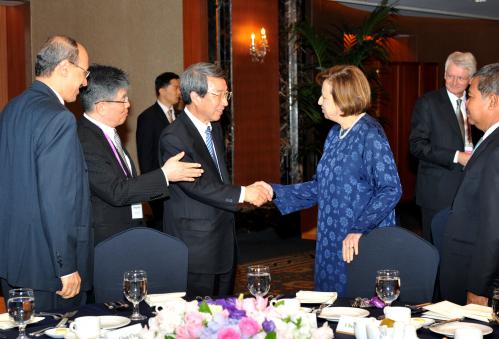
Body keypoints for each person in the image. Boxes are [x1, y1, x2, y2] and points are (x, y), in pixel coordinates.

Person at [271, 65, 402, 295]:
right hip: (331, 238)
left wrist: (359, 228)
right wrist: (274, 192)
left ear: (343, 100)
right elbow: (321, 186)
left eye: (324, 97)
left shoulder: (370, 134)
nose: (320, 102)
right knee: (330, 306)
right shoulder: (334, 134)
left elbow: (390, 189)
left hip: (360, 241)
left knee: (358, 309)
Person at [159, 62, 273, 298]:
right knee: (198, 319)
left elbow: (218, 177)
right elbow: (195, 184)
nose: (225, 102)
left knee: (223, 316)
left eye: (226, 94)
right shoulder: (174, 136)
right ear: (195, 96)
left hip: (223, 237)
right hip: (197, 245)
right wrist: (244, 193)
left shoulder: (215, 129)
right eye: (218, 95)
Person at [0, 35, 91, 311]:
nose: (85, 82)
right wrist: (66, 267)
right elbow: (57, 199)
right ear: (64, 67)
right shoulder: (58, 118)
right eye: (84, 73)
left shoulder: (12, 108)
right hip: (48, 268)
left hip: (12, 259)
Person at [78, 65, 203, 245]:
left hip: (127, 231)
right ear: (102, 107)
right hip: (108, 240)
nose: (128, 104)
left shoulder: (106, 132)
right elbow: (116, 191)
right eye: (123, 100)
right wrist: (165, 175)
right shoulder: (85, 140)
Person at [440, 63, 499, 306]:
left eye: (471, 96)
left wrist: (478, 287)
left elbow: (493, 224)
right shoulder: (490, 140)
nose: (466, 103)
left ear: (493, 101)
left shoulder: (496, 150)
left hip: (474, 275)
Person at [409, 51, 480, 242]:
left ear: (471, 79)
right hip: (437, 192)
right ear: (444, 74)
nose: (454, 82)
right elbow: (417, 145)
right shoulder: (428, 103)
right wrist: (457, 156)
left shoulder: (478, 103)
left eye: (460, 78)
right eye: (450, 76)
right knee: (435, 251)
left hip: (471, 189)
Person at [136, 72, 181, 229]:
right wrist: (153, 187)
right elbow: (145, 157)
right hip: (161, 186)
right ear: (162, 90)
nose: (179, 92)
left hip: (182, 185)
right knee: (163, 226)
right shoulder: (147, 117)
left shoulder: (182, 116)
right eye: (176, 88)